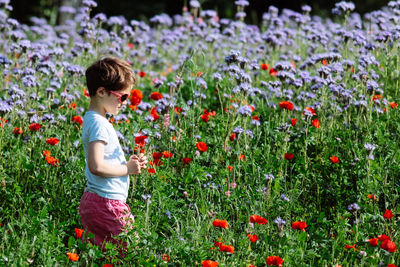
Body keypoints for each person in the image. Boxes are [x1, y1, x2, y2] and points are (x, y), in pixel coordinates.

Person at [79, 56, 147, 250]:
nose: (125, 102)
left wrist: (129, 163)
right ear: (101, 92)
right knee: (131, 252)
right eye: (122, 97)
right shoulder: (99, 124)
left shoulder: (93, 119)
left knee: (97, 255)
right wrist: (127, 169)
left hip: (96, 200)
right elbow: (97, 166)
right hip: (106, 203)